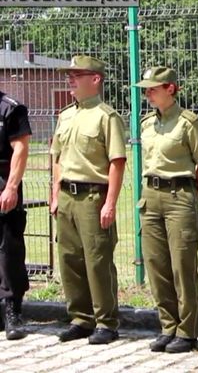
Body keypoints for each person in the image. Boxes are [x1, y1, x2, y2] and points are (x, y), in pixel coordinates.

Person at [50, 55, 126, 345]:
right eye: (70, 75)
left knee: (97, 260)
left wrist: (110, 203)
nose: (70, 79)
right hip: (67, 196)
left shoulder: (107, 117)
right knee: (69, 259)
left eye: (76, 75)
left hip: (94, 196)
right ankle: (81, 319)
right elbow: (57, 158)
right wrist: (55, 194)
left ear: (95, 79)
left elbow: (116, 162)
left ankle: (106, 322)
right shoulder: (65, 115)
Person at [134, 67, 198, 353]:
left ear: (170, 89)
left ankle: (187, 332)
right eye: (146, 89)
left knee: (182, 267)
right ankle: (168, 326)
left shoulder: (189, 123)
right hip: (150, 197)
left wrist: (194, 197)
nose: (148, 93)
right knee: (156, 265)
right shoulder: (145, 124)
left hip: (180, 195)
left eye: (153, 88)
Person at [0, 92, 31, 340]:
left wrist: (11, 187)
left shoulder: (10, 108)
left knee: (9, 249)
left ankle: (13, 310)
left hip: (3, 182)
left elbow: (20, 149)